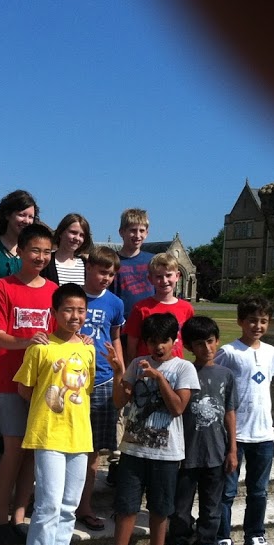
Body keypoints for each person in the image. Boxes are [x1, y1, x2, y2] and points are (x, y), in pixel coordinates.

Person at [91, 312, 198, 545]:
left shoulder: (184, 368)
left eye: (163, 341)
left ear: (173, 340)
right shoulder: (137, 363)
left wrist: (159, 377)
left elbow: (178, 407)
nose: (158, 347)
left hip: (166, 454)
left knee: (160, 510)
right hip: (133, 450)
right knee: (126, 508)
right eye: (152, 341)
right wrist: (118, 372)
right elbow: (119, 401)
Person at [14, 283, 95, 545]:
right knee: (48, 504)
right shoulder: (40, 347)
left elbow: (86, 389)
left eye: (81, 310)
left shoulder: (88, 348)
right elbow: (25, 389)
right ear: (54, 312)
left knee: (68, 506)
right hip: (48, 433)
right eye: (68, 310)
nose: (75, 316)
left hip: (80, 436)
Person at [0, 221, 58, 545]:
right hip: (8, 379)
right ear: (22, 251)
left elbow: (59, 334)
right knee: (13, 447)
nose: (40, 257)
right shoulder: (3, 287)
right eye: (35, 250)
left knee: (32, 450)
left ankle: (19, 516)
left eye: (46, 252)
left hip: (42, 382)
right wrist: (27, 342)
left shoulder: (53, 291)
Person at [167, 315, 238, 545]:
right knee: (180, 507)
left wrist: (232, 450)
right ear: (188, 346)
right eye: (199, 343)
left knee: (212, 508)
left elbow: (230, 413)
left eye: (210, 341)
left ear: (217, 341)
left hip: (216, 453)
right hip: (186, 453)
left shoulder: (226, 375)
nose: (206, 348)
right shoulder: (183, 372)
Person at [214, 295, 274, 545]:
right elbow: (217, 385)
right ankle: (221, 539)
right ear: (241, 321)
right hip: (236, 434)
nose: (258, 326)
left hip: (263, 434)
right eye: (252, 320)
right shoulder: (229, 352)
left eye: (263, 321)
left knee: (259, 492)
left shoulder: (271, 352)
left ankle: (254, 538)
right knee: (227, 492)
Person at [73, 246, 124, 531]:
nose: (106, 278)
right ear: (89, 267)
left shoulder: (115, 303)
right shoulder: (73, 297)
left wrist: (120, 371)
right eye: (102, 272)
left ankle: (85, 506)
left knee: (93, 452)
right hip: (72, 378)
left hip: (103, 379)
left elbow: (115, 338)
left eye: (111, 274)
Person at [106, 208, 154, 487]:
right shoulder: (116, 262)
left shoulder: (151, 261)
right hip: (123, 339)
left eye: (142, 231)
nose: (137, 235)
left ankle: (142, 456)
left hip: (150, 341)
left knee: (146, 400)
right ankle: (117, 459)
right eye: (132, 230)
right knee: (122, 399)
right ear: (122, 232)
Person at [122, 252, 195, 360]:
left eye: (168, 275)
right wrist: (132, 367)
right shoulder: (141, 308)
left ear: (177, 276)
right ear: (150, 279)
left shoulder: (186, 308)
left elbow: (190, 341)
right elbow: (132, 346)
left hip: (175, 367)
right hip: (147, 366)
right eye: (159, 277)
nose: (164, 281)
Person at [0, 189, 39, 282]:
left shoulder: (33, 250)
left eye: (31, 217)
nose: (26, 221)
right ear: (7, 215)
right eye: (22, 215)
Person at [42, 213, 92, 286]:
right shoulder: (46, 262)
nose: (77, 238)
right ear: (61, 233)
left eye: (82, 235)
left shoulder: (85, 265)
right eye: (73, 232)